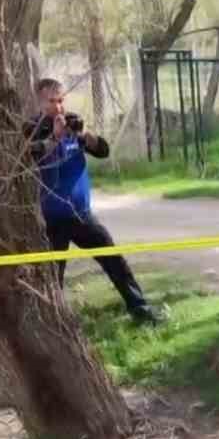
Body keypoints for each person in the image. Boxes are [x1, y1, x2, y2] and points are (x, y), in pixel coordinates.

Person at [27, 78, 162, 324]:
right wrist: (55, 138)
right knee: (52, 277)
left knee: (114, 261)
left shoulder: (72, 122)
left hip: (81, 215)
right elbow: (30, 155)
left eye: (61, 100)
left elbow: (103, 151)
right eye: (52, 102)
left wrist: (85, 135)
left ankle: (141, 311)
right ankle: (56, 325)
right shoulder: (33, 128)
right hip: (52, 218)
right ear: (40, 102)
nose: (58, 107)